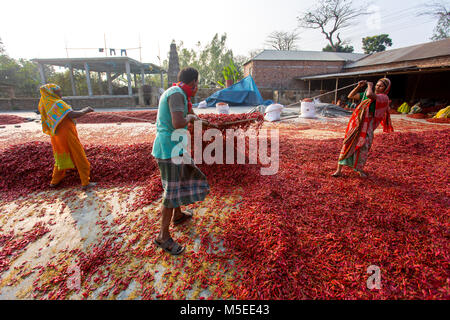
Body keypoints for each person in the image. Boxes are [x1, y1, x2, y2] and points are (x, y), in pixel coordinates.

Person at [152, 67, 211, 255]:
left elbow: (192, 116)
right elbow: (179, 122)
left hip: (174, 146)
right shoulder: (177, 94)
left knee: (176, 183)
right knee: (171, 190)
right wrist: (192, 118)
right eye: (197, 84)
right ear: (194, 82)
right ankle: (163, 236)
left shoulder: (181, 94)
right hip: (168, 149)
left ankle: (177, 215)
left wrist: (210, 124)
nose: (197, 87)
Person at [38, 84, 96, 190]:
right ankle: (85, 182)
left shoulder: (45, 103)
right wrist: (86, 110)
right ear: (52, 93)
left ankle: (54, 181)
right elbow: (72, 114)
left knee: (61, 157)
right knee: (79, 156)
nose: (61, 94)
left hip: (57, 136)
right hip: (67, 135)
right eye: (58, 92)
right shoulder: (57, 103)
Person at [332, 78, 393, 178]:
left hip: (368, 124)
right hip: (357, 122)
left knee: (363, 146)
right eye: (377, 85)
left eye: (381, 86)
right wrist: (358, 87)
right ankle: (338, 170)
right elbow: (350, 96)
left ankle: (359, 169)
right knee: (348, 142)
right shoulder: (366, 94)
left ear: (386, 89)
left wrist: (369, 86)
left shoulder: (383, 97)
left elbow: (370, 95)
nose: (378, 87)